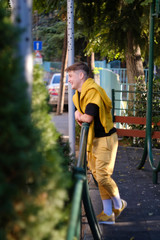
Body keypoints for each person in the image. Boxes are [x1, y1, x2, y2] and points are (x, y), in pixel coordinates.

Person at [65, 62, 127, 224]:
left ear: (81, 75)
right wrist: (79, 115)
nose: (69, 80)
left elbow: (87, 117)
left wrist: (79, 115)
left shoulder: (92, 91)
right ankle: (107, 213)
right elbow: (81, 118)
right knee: (98, 176)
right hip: (94, 140)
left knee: (102, 175)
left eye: (71, 76)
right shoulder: (77, 95)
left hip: (105, 139)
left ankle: (119, 204)